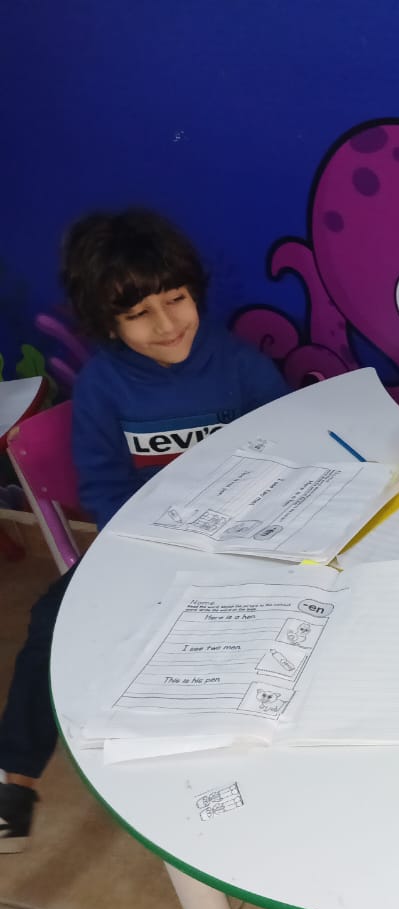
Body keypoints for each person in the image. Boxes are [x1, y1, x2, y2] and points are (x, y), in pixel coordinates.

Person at [0, 209, 287, 853]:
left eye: (176, 300)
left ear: (194, 293)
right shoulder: (103, 387)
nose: (165, 324)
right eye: (139, 314)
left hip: (252, 545)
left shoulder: (239, 365)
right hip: (146, 547)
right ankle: (13, 777)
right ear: (109, 323)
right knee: (50, 619)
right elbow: (104, 488)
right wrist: (150, 549)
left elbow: (291, 451)